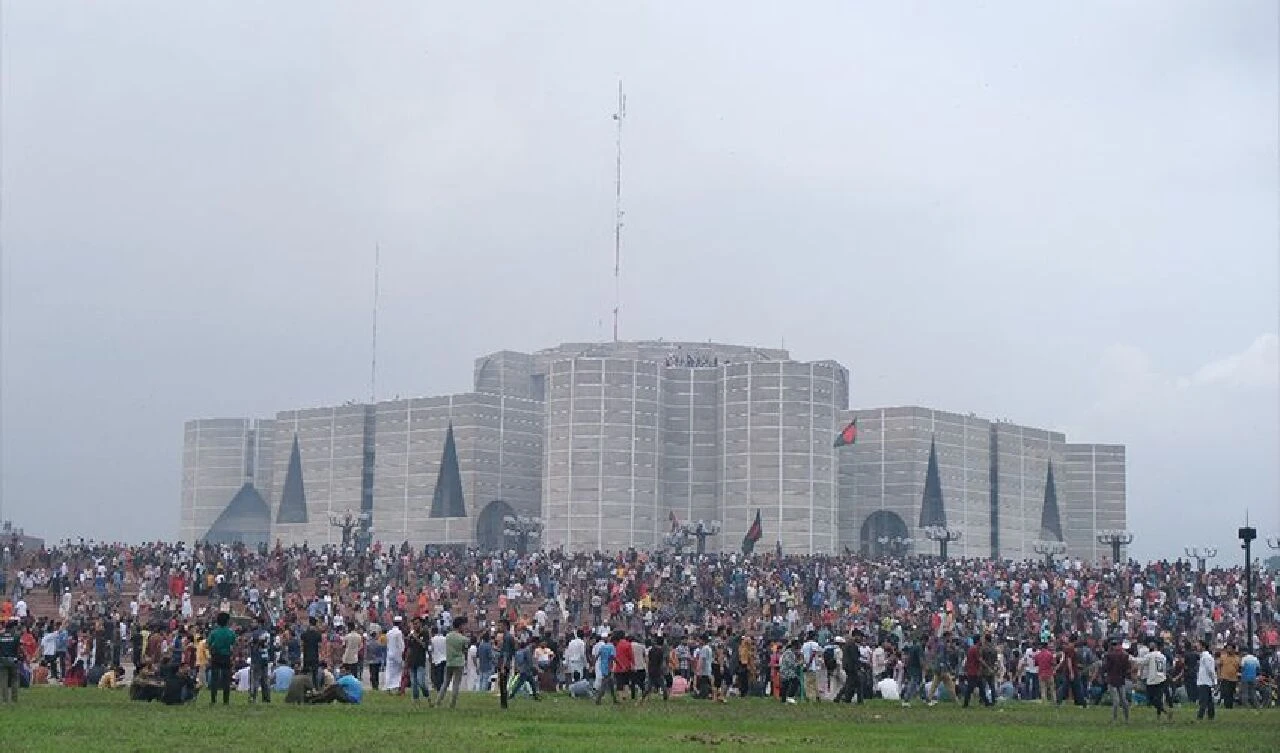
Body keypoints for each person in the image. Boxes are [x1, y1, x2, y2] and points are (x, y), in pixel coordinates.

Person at [205, 611, 237, 706]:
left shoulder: (214, 632)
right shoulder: (231, 633)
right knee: (226, 679)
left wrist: (213, 649)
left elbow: (207, 644)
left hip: (216, 656)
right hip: (226, 656)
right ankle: (225, 700)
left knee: (214, 678)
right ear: (227, 621)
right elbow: (233, 645)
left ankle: (213, 700)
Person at [436, 616, 468, 709]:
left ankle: (438, 701)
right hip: (459, 662)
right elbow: (465, 650)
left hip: (449, 661)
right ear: (460, 626)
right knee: (456, 684)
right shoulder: (463, 639)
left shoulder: (448, 636)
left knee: (445, 683)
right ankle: (452, 704)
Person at [1140, 639, 1171, 720]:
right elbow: (1164, 668)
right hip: (1161, 678)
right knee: (1159, 697)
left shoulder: (1150, 655)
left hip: (1152, 680)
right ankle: (1159, 715)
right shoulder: (1162, 656)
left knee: (1150, 699)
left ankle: (1164, 711)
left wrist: (1130, 657)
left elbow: (1141, 661)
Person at [1102, 639, 1131, 723]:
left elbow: (1105, 667)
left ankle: (1116, 719)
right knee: (1122, 701)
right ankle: (1126, 719)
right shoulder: (1124, 655)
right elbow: (1127, 668)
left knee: (1117, 701)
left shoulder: (1109, 656)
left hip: (1113, 680)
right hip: (1119, 680)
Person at [249, 617, 273, 703]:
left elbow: (251, 644)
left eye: (254, 622)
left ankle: (253, 697)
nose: (252, 624)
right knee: (265, 679)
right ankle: (266, 698)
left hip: (257, 658)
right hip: (265, 657)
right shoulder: (267, 633)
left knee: (255, 679)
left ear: (258, 623)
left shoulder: (255, 633)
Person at [405, 618, 429, 702]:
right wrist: (406, 661)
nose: (415, 625)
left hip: (420, 661)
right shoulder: (411, 635)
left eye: (417, 623)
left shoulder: (425, 633)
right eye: (414, 624)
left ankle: (426, 694)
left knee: (420, 681)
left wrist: (416, 638)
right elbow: (409, 649)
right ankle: (416, 699)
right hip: (412, 661)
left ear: (420, 624)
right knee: (414, 683)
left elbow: (425, 646)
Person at [594, 631, 619, 705]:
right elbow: (612, 657)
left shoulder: (603, 646)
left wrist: (593, 664)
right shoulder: (612, 647)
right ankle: (598, 699)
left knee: (611, 684)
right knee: (604, 684)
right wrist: (615, 665)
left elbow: (597, 655)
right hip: (608, 667)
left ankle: (614, 699)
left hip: (602, 666)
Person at [1195, 639, 1217, 721]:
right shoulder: (1204, 656)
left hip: (1205, 681)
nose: (1197, 647)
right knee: (1209, 700)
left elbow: (1210, 670)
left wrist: (1214, 680)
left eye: (1198, 645)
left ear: (1203, 646)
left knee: (1203, 700)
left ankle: (1200, 716)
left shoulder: (1206, 657)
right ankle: (1211, 716)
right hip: (1205, 681)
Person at [0, 618, 20, 703]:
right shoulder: (16, 636)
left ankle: (5, 700)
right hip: (13, 659)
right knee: (14, 680)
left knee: (3, 680)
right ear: (12, 628)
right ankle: (14, 699)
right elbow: (17, 649)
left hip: (2, 660)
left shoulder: (0, 636)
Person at [384, 616, 405, 694]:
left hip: (390, 653)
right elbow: (401, 645)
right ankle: (396, 687)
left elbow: (388, 644)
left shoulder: (389, 632)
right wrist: (403, 653)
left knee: (389, 671)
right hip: (397, 654)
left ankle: (388, 687)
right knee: (398, 672)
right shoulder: (399, 633)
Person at [301, 617, 323, 688]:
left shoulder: (304, 634)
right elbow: (320, 647)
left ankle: (305, 687)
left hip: (306, 656)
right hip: (315, 656)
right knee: (314, 674)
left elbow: (301, 646)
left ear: (309, 623)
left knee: (305, 673)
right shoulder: (318, 635)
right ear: (315, 624)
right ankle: (316, 687)